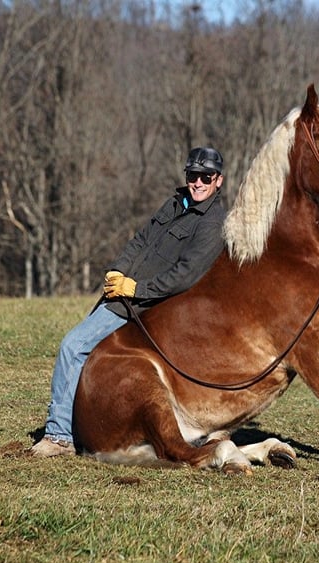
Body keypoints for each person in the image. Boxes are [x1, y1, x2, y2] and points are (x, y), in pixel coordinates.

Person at [31, 147, 227, 457]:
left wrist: (134, 288)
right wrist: (117, 271)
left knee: (72, 346)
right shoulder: (176, 203)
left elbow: (185, 275)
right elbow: (140, 241)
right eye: (193, 175)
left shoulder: (213, 222)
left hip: (143, 304)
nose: (198, 182)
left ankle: (58, 435)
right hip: (124, 295)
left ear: (219, 180)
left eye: (206, 177)